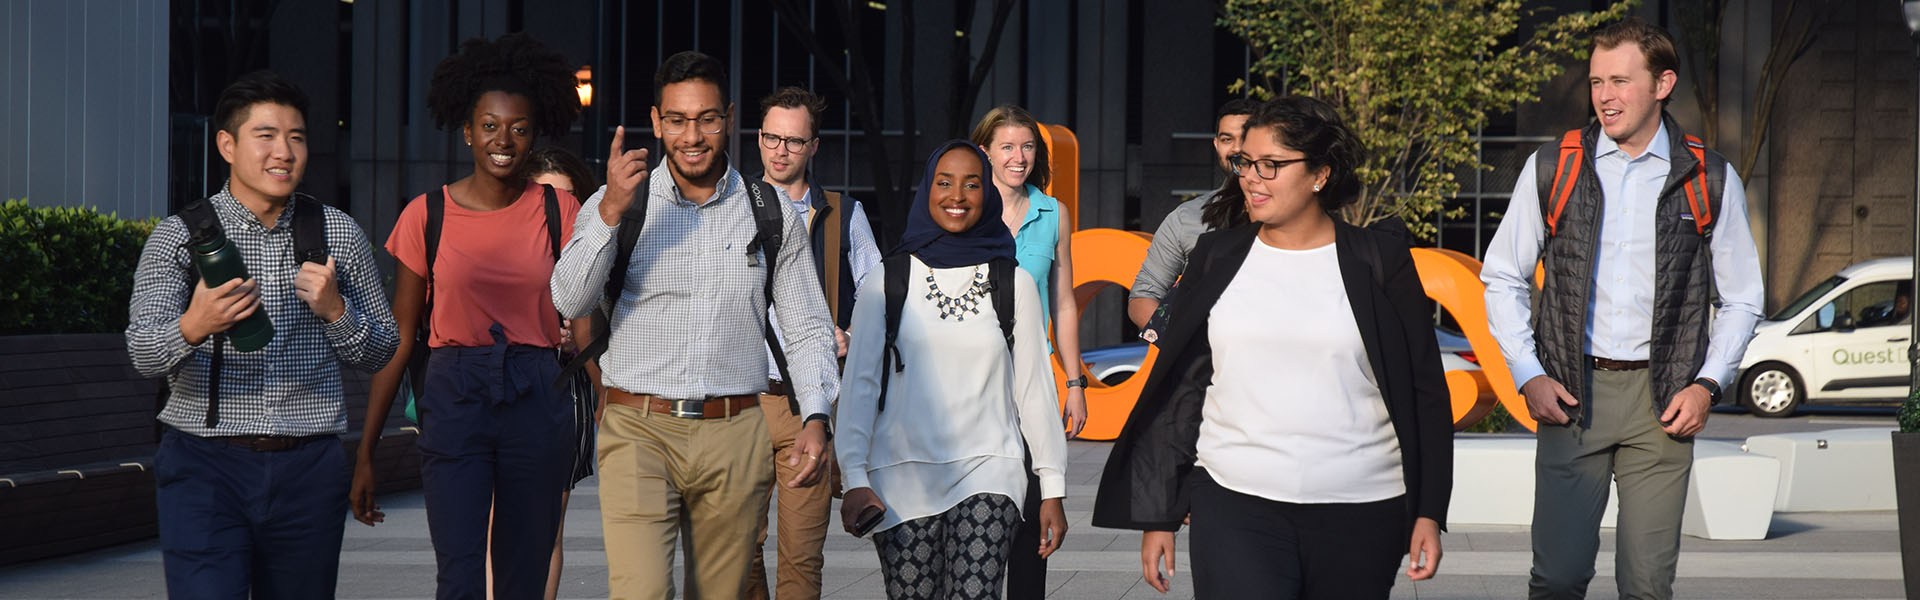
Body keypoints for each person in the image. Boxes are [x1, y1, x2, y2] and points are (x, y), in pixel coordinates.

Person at [1092, 96, 1452, 599]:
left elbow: (1424, 391)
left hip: (1363, 506)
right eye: (1244, 162)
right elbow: (1183, 387)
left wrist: (1430, 511)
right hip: (1234, 501)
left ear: (1320, 174)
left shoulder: (1380, 259)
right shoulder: (1216, 257)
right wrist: (1162, 516)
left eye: (1271, 165)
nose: (1251, 177)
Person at [1479, 17, 1764, 599]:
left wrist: (1707, 385)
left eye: (1620, 81)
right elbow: (1502, 276)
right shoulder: (1554, 167)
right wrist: (1528, 374)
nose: (1605, 96)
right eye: (1595, 82)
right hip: (1569, 395)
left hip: (1663, 403)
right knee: (1556, 579)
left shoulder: (1708, 177)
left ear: (1662, 84)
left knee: (1647, 585)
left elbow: (1742, 297)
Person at [550, 50, 839, 599]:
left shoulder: (769, 210)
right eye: (678, 120)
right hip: (638, 428)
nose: (693, 135)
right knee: (642, 590)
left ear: (728, 118)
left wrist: (816, 416)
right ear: (656, 123)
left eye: (707, 118)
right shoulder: (619, 203)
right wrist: (609, 210)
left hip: (735, 429)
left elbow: (806, 328)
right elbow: (569, 295)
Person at [126, 70, 399, 598]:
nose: (285, 152)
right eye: (266, 136)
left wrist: (336, 311)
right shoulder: (179, 237)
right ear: (227, 144)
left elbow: (383, 349)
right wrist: (194, 325)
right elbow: (142, 351)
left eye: (296, 137)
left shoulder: (337, 231)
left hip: (309, 466)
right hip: (205, 465)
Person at [351, 32, 587, 600]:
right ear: (467, 130)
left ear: (535, 134)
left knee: (523, 576)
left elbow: (587, 320)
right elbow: (400, 337)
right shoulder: (425, 214)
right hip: (454, 396)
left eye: (519, 128)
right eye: (489, 125)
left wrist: (611, 413)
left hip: (537, 395)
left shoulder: (561, 209)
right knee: (458, 575)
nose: (503, 140)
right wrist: (366, 450)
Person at [835, 139, 1070, 600]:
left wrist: (1053, 487)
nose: (957, 196)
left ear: (988, 195)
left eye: (971, 184)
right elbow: (860, 385)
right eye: (944, 183)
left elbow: (1034, 391)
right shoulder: (888, 281)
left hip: (991, 472)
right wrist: (854, 478)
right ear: (927, 190)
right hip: (901, 476)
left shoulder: (1013, 282)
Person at [747, 86, 883, 600]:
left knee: (802, 559)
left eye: (794, 142)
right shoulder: (730, 207)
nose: (780, 151)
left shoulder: (842, 215)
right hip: (742, 399)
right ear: (758, 138)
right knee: (737, 549)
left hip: (812, 406)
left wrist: (852, 334)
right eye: (771, 138)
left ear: (814, 146)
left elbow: (878, 300)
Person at [474, 145, 603, 600]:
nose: (554, 208)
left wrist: (581, 338)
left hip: (563, 387)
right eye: (544, 196)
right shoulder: (498, 241)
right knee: (496, 519)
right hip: (501, 382)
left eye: (565, 199)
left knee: (548, 524)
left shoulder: (594, 249)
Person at [968, 105, 1084, 597]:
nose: (1019, 157)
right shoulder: (964, 209)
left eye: (1028, 147)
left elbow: (1063, 300)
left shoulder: (1052, 213)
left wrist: (1075, 383)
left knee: (1035, 521)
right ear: (985, 152)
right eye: (1008, 147)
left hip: (1032, 380)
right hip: (972, 382)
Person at [1128, 98, 1259, 330]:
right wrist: (1180, 348)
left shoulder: (1291, 214)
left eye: (1246, 138)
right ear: (1216, 144)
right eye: (1227, 139)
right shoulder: (1187, 218)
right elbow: (1143, 296)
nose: (1237, 148)